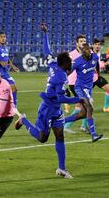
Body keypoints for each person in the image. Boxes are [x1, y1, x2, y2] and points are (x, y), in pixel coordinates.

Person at [14, 24, 93, 179]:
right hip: (47, 109)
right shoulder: (62, 76)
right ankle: (24, 120)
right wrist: (79, 98)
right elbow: (61, 98)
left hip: (56, 109)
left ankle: (62, 168)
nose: (72, 64)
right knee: (43, 138)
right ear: (65, 63)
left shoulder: (53, 63)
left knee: (60, 135)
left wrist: (45, 34)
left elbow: (46, 51)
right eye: (70, 62)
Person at [63, 42, 103, 141]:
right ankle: (94, 135)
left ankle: (59, 121)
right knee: (89, 107)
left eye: (89, 50)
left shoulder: (94, 57)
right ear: (82, 52)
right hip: (80, 87)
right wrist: (63, 84)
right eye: (86, 50)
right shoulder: (77, 62)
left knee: (83, 114)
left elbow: (96, 64)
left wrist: (99, 74)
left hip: (88, 88)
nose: (88, 52)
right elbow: (68, 72)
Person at [63, 34, 87, 133]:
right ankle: (67, 125)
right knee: (84, 105)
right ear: (76, 43)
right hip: (73, 83)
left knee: (83, 105)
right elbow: (65, 69)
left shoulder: (87, 53)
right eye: (81, 41)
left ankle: (81, 126)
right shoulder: (71, 54)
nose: (83, 43)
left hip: (83, 82)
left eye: (84, 41)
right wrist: (65, 85)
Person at [92, 39, 109, 114]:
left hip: (97, 77)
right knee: (84, 99)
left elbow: (98, 64)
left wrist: (105, 63)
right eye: (95, 44)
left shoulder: (99, 53)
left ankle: (106, 107)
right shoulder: (89, 54)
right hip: (89, 79)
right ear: (92, 45)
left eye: (99, 44)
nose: (97, 46)